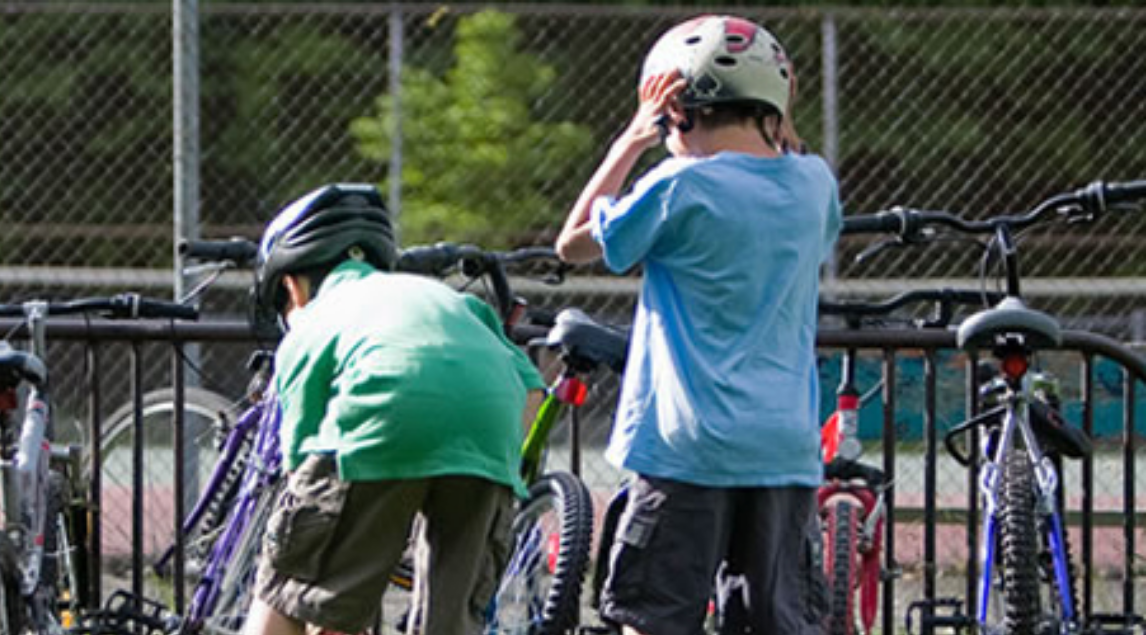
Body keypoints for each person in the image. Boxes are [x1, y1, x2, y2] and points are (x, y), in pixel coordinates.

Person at [554, 15, 840, 635]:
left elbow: (573, 244)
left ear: (676, 112)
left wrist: (630, 142)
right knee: (776, 623)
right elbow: (787, 165)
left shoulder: (677, 185)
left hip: (688, 448)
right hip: (783, 449)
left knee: (652, 619)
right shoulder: (815, 185)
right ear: (776, 107)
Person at [240, 183, 545, 635]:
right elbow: (533, 391)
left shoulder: (312, 322)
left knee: (306, 595)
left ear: (291, 285)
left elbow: (304, 461)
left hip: (379, 414)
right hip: (489, 437)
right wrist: (488, 457)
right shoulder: (451, 301)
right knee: (451, 622)